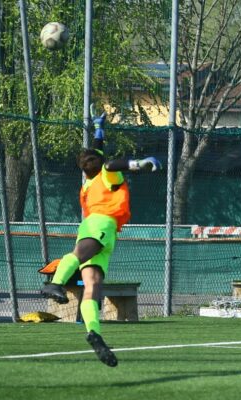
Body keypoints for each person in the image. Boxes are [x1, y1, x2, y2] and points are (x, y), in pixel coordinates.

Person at [40, 108, 162, 367]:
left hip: (91, 225)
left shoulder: (87, 181)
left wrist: (99, 129)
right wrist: (139, 164)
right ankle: (55, 283)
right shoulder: (107, 175)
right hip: (101, 224)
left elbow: (97, 155)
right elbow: (109, 162)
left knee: (93, 286)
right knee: (81, 257)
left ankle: (93, 332)